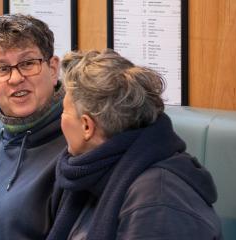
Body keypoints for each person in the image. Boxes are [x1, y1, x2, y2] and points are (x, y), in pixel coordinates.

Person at [47, 49, 221, 239]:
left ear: (87, 126)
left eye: (64, 111)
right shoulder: (90, 175)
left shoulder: (158, 203)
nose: (61, 119)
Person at [0, 14, 66, 239]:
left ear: (53, 69)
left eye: (27, 63)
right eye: (2, 69)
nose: (16, 78)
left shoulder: (75, 154)